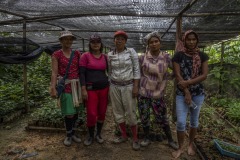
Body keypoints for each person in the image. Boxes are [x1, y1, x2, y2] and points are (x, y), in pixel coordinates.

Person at [171, 30, 209, 158]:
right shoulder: (178, 55)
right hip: (182, 93)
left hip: (198, 94)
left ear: (197, 40)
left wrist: (188, 83)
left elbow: (204, 75)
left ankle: (191, 144)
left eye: (194, 39)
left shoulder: (202, 55)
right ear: (184, 41)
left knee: (194, 121)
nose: (191, 42)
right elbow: (177, 74)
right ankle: (180, 147)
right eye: (189, 39)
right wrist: (186, 91)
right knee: (181, 122)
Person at [138, 31, 178, 150]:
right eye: (151, 42)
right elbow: (138, 73)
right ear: (148, 44)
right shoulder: (142, 57)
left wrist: (168, 77)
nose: (154, 44)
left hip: (158, 94)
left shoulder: (166, 57)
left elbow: (176, 70)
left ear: (160, 43)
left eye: (156, 41)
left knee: (162, 118)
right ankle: (146, 138)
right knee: (144, 116)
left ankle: (170, 140)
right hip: (143, 93)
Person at [108, 30, 141, 151]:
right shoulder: (110, 54)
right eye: (117, 38)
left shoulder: (131, 52)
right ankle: (123, 136)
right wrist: (110, 84)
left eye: (122, 38)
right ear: (114, 40)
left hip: (128, 86)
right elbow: (109, 71)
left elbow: (136, 70)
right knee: (118, 111)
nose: (119, 40)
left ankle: (135, 138)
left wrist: (136, 86)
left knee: (131, 112)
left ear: (125, 41)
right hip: (114, 86)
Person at [50, 30, 82, 146]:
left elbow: (81, 70)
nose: (68, 41)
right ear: (61, 41)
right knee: (69, 113)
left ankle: (73, 132)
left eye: (70, 39)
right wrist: (53, 87)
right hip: (66, 86)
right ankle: (68, 135)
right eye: (65, 39)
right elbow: (54, 72)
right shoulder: (56, 54)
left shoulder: (77, 53)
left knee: (76, 111)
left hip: (77, 86)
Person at [79, 34, 109, 146]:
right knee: (91, 113)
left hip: (104, 88)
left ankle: (98, 134)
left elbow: (109, 73)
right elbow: (81, 73)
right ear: (90, 44)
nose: (95, 44)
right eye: (93, 42)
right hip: (90, 89)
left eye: (98, 42)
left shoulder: (105, 57)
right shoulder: (85, 56)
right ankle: (90, 136)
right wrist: (83, 89)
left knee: (102, 112)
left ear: (101, 44)